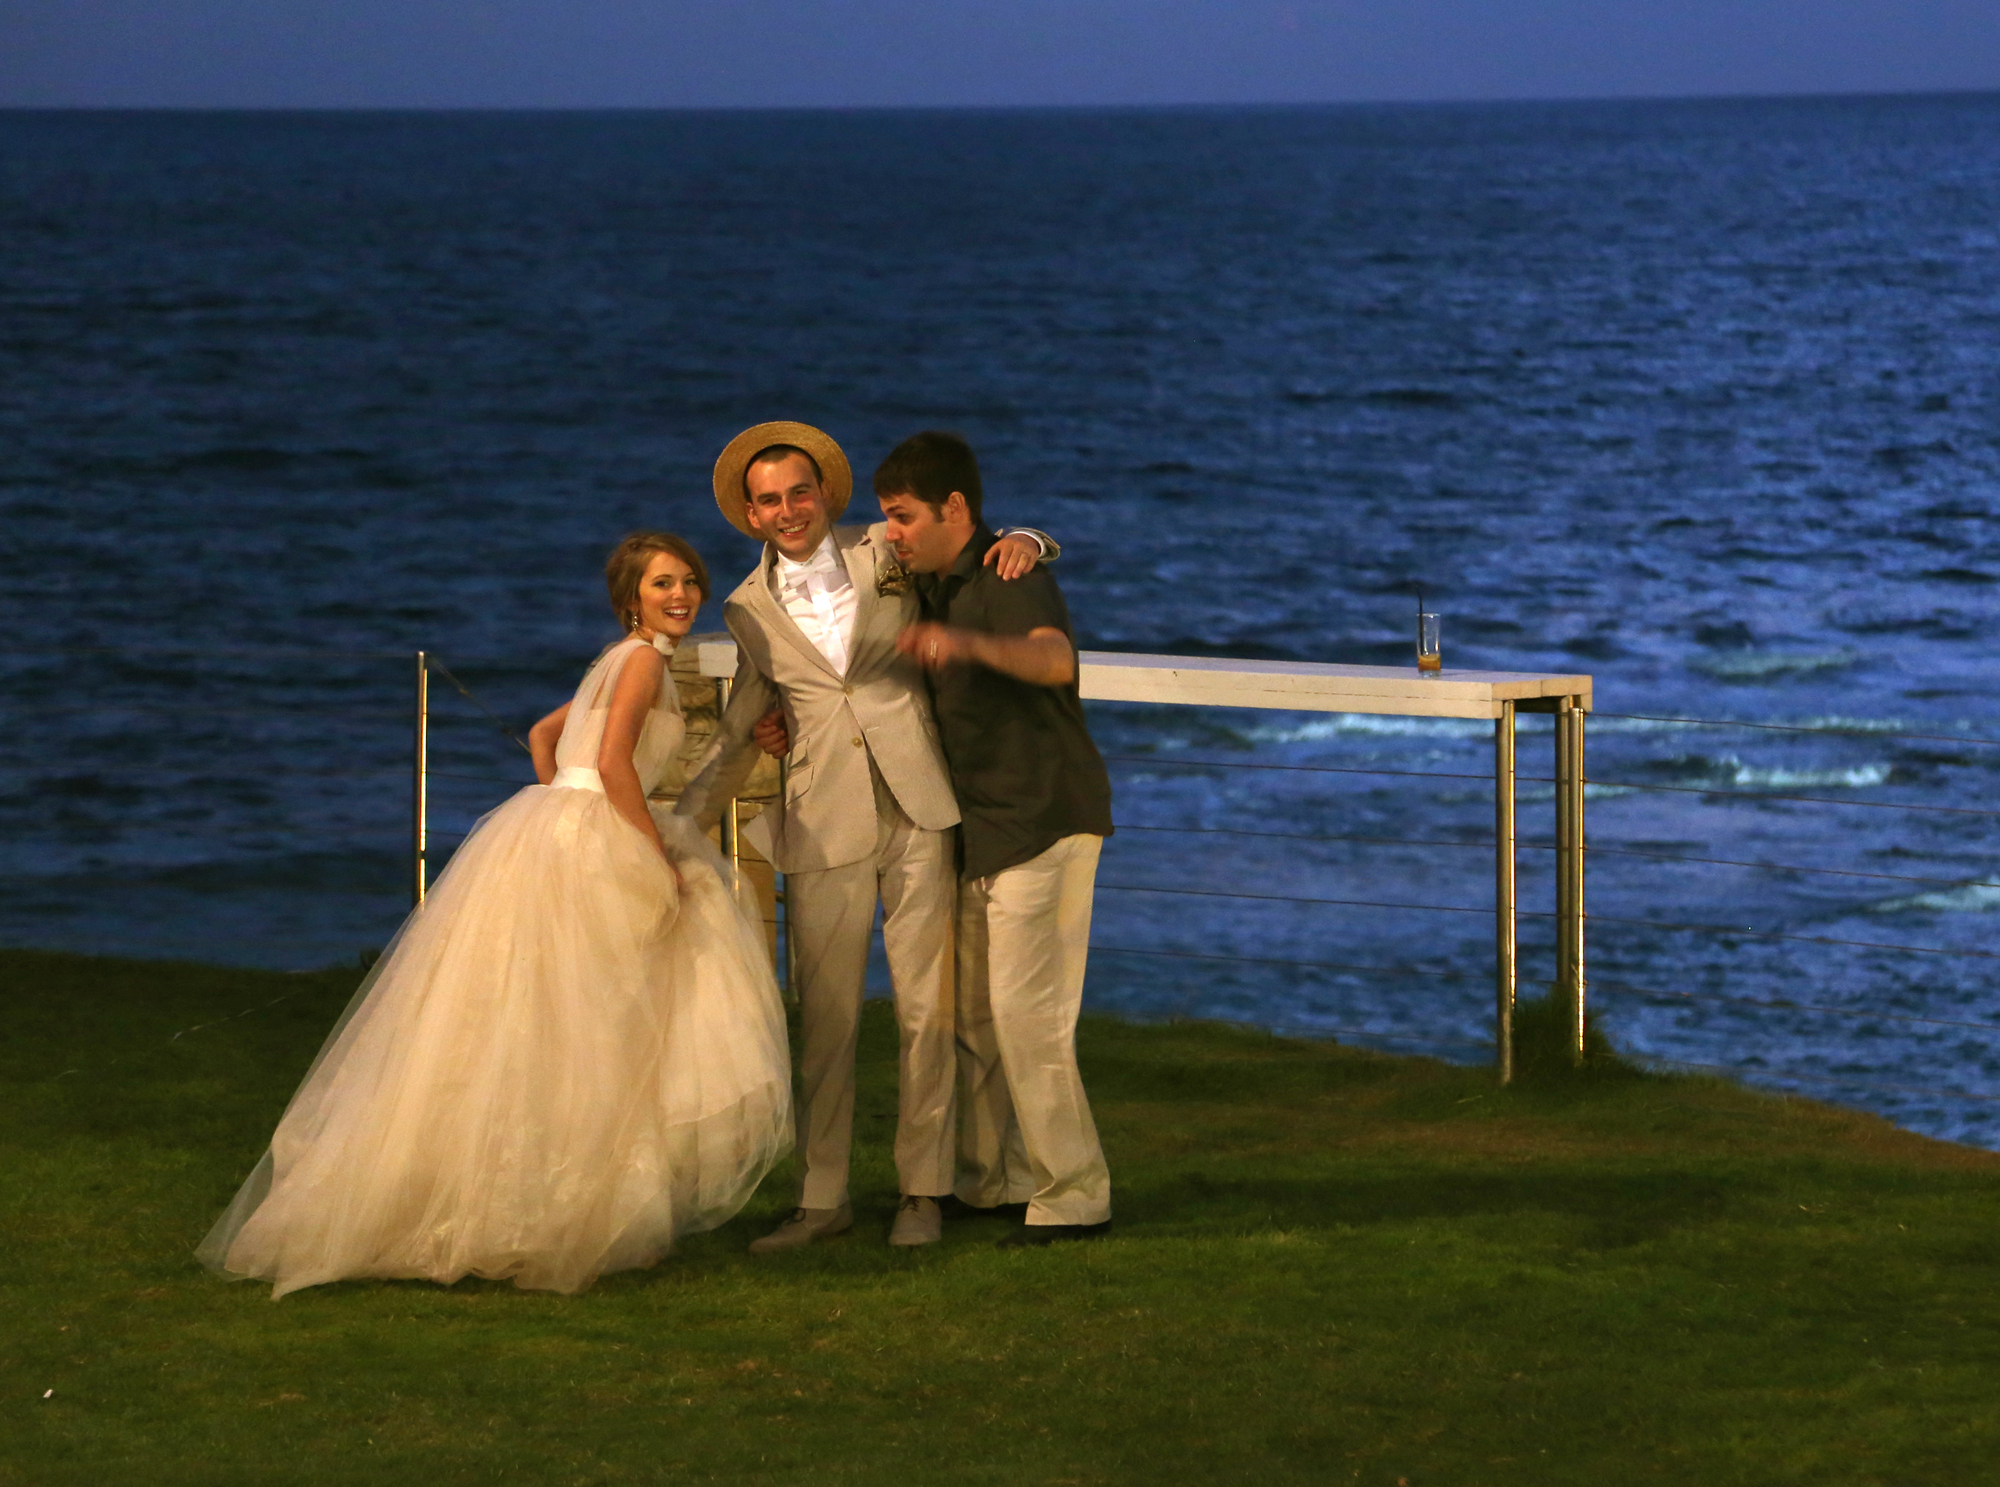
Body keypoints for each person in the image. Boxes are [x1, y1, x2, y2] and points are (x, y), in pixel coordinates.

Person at [197, 533, 792, 1298]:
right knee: (596, 1026)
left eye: (688, 582)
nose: (681, 596)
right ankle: (563, 1209)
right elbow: (612, 764)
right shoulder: (642, 661)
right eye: (662, 585)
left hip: (552, 826)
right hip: (597, 832)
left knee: (537, 1023)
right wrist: (652, 855)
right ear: (631, 598)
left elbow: (550, 738)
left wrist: (559, 801)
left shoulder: (615, 658)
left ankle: (530, 1202)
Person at [676, 421, 1054, 1252]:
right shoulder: (744, 606)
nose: (788, 510)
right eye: (769, 499)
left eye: (799, 493)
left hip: (920, 805)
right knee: (830, 1019)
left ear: (825, 494)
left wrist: (1030, 538)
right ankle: (822, 1199)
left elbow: (969, 543)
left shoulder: (884, 549)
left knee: (928, 1010)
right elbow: (745, 722)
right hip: (820, 820)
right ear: (750, 510)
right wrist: (676, 827)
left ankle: (923, 1189)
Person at [877, 430, 1115, 1247]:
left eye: (904, 516)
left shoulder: (1008, 574)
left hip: (1044, 820)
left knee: (1028, 1017)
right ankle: (994, 1181)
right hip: (986, 831)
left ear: (955, 509)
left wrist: (968, 641)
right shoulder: (935, 576)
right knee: (979, 1018)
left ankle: (1075, 1194)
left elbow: (1054, 661)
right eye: (886, 519)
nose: (893, 533)